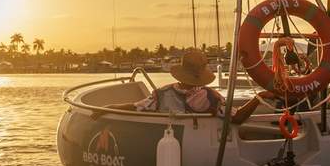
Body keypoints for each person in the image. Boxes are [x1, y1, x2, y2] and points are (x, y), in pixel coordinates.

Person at [102, 48, 262, 123]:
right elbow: (238, 117)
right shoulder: (212, 98)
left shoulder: (161, 94)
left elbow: (135, 107)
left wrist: (108, 107)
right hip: (203, 152)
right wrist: (259, 98)